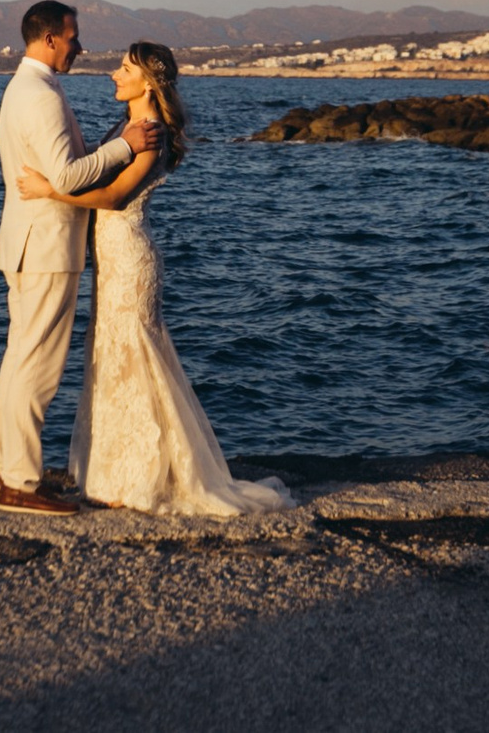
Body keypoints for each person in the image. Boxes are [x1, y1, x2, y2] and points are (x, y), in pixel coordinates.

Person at [18, 39, 291, 516]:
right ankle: (111, 473)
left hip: (130, 257)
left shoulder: (152, 133)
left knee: (134, 357)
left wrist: (49, 190)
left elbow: (115, 197)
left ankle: (141, 478)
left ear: (147, 82)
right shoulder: (124, 128)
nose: (114, 74)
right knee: (111, 357)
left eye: (125, 69)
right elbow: (92, 171)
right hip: (110, 258)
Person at [0, 0, 164, 514]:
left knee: (21, 361)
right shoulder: (40, 95)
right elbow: (65, 177)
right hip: (46, 246)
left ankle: (8, 473)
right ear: (49, 40)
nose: (80, 47)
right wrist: (125, 144)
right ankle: (20, 484)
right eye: (73, 38)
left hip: (30, 243)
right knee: (37, 368)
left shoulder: (26, 88)